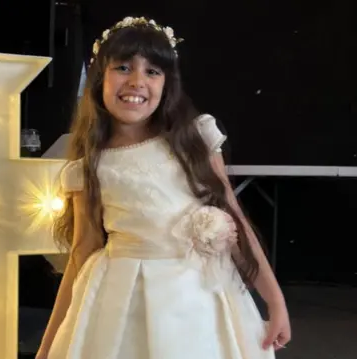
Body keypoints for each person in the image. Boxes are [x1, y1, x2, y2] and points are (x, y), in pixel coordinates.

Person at [35, 16, 291, 359]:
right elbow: (82, 253)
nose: (137, 81)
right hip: (124, 301)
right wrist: (48, 345)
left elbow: (237, 222)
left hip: (202, 299)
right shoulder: (89, 167)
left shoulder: (195, 139)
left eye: (153, 71)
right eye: (123, 68)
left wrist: (275, 301)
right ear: (100, 78)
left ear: (167, 83)